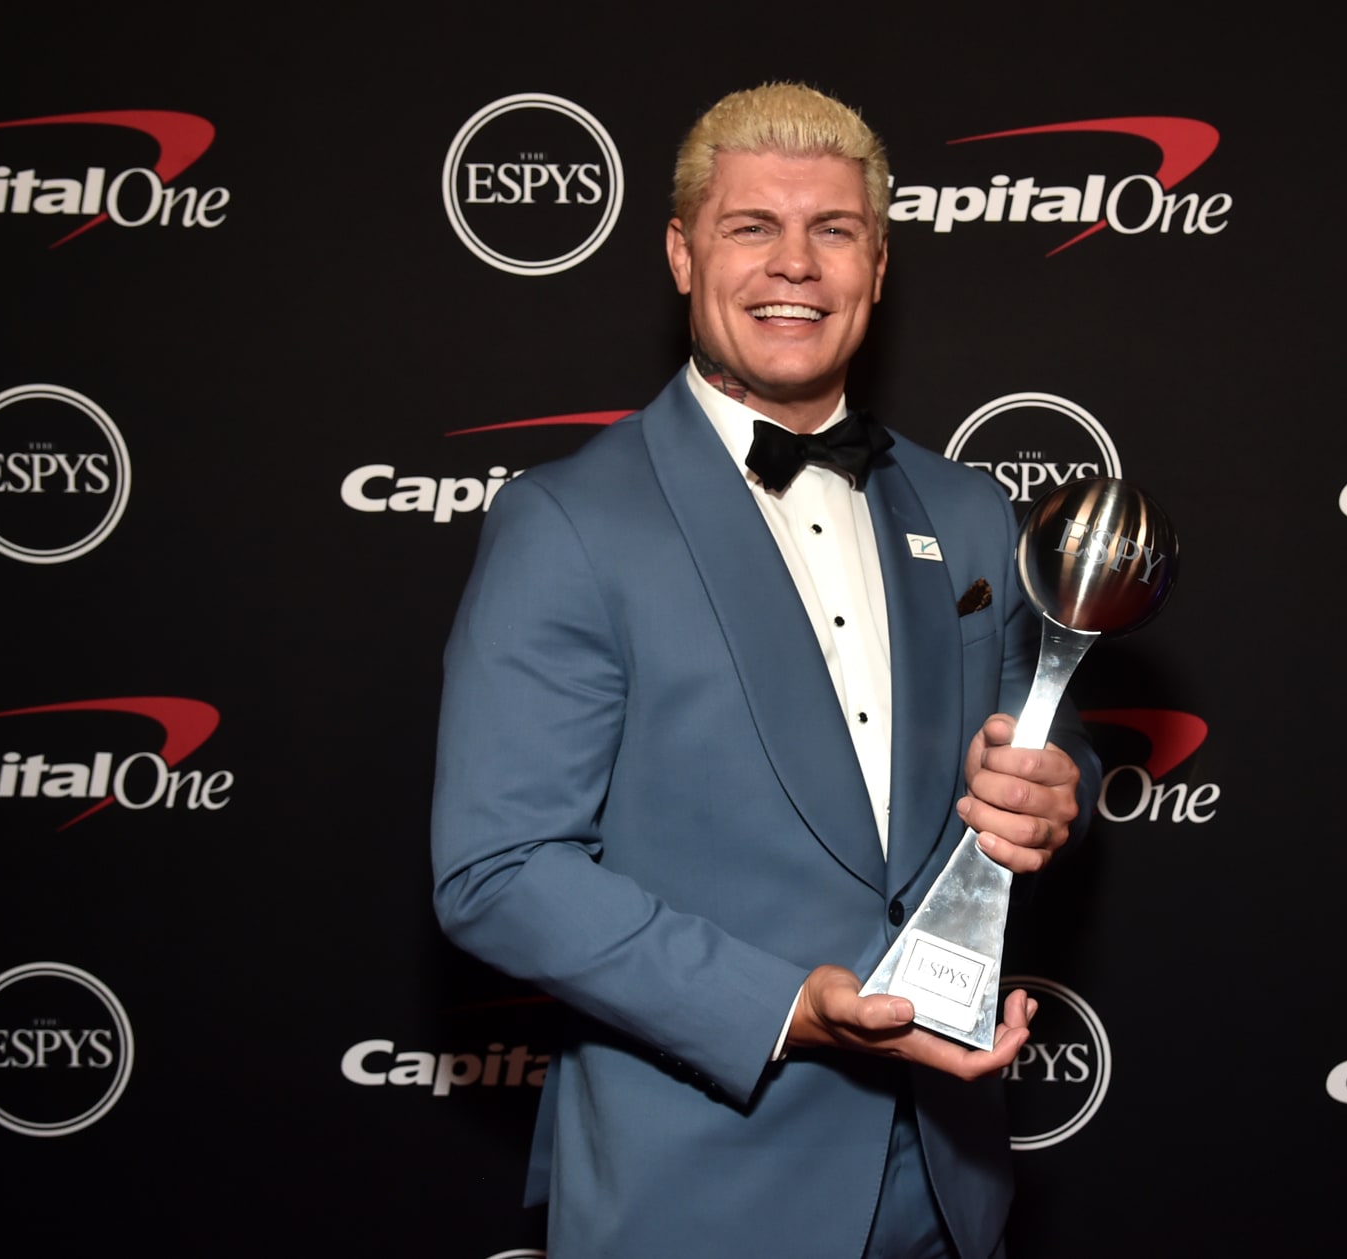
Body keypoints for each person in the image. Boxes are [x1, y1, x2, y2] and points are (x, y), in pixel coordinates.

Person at [432, 82, 1100, 1259]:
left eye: (832, 230)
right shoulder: (571, 522)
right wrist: (787, 1007)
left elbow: (1032, 743)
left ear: (878, 267)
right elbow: (499, 868)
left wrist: (1057, 791)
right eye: (753, 227)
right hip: (700, 1188)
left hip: (952, 1183)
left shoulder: (970, 511)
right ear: (683, 254)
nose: (795, 265)